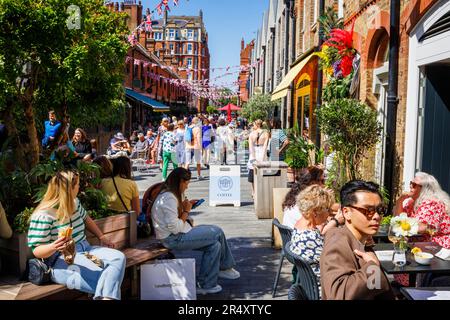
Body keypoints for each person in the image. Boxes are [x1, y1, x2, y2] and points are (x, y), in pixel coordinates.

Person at [27, 170, 126, 300]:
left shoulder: (75, 202)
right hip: (61, 260)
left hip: (86, 249)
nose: (79, 187)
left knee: (118, 258)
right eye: (78, 184)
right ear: (70, 189)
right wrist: (54, 246)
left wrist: (102, 237)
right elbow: (37, 250)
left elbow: (86, 219)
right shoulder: (43, 214)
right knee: (107, 277)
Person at [151, 168, 240, 295]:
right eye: (186, 184)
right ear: (180, 182)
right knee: (217, 232)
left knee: (215, 246)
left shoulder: (170, 195)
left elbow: (174, 221)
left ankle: (206, 285)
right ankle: (225, 267)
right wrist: (186, 211)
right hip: (172, 238)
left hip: (177, 234)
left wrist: (185, 207)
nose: (187, 187)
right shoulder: (169, 198)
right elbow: (175, 228)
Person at [320, 180, 394, 300]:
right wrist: (373, 266)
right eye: (368, 210)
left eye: (380, 210)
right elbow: (338, 295)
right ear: (346, 212)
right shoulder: (338, 243)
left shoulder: (356, 240)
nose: (376, 216)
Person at [394, 172, 450, 286]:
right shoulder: (412, 202)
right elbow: (398, 218)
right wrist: (400, 200)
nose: (410, 186)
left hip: (436, 246)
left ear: (425, 188)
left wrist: (401, 224)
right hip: (420, 244)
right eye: (411, 183)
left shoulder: (432, 203)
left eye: (414, 185)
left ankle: (414, 290)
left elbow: (421, 227)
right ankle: (407, 289)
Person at [289, 185, 337, 295]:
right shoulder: (310, 238)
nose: (329, 213)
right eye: (327, 209)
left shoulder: (301, 225)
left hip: (311, 286)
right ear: (315, 211)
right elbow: (334, 261)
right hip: (323, 290)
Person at [248, 120, 269, 198]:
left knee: (252, 172)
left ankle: (253, 192)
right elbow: (265, 146)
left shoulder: (251, 134)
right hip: (261, 152)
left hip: (254, 152)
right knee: (262, 173)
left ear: (256, 125)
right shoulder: (266, 133)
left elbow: (251, 147)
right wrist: (262, 158)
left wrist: (253, 158)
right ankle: (260, 191)